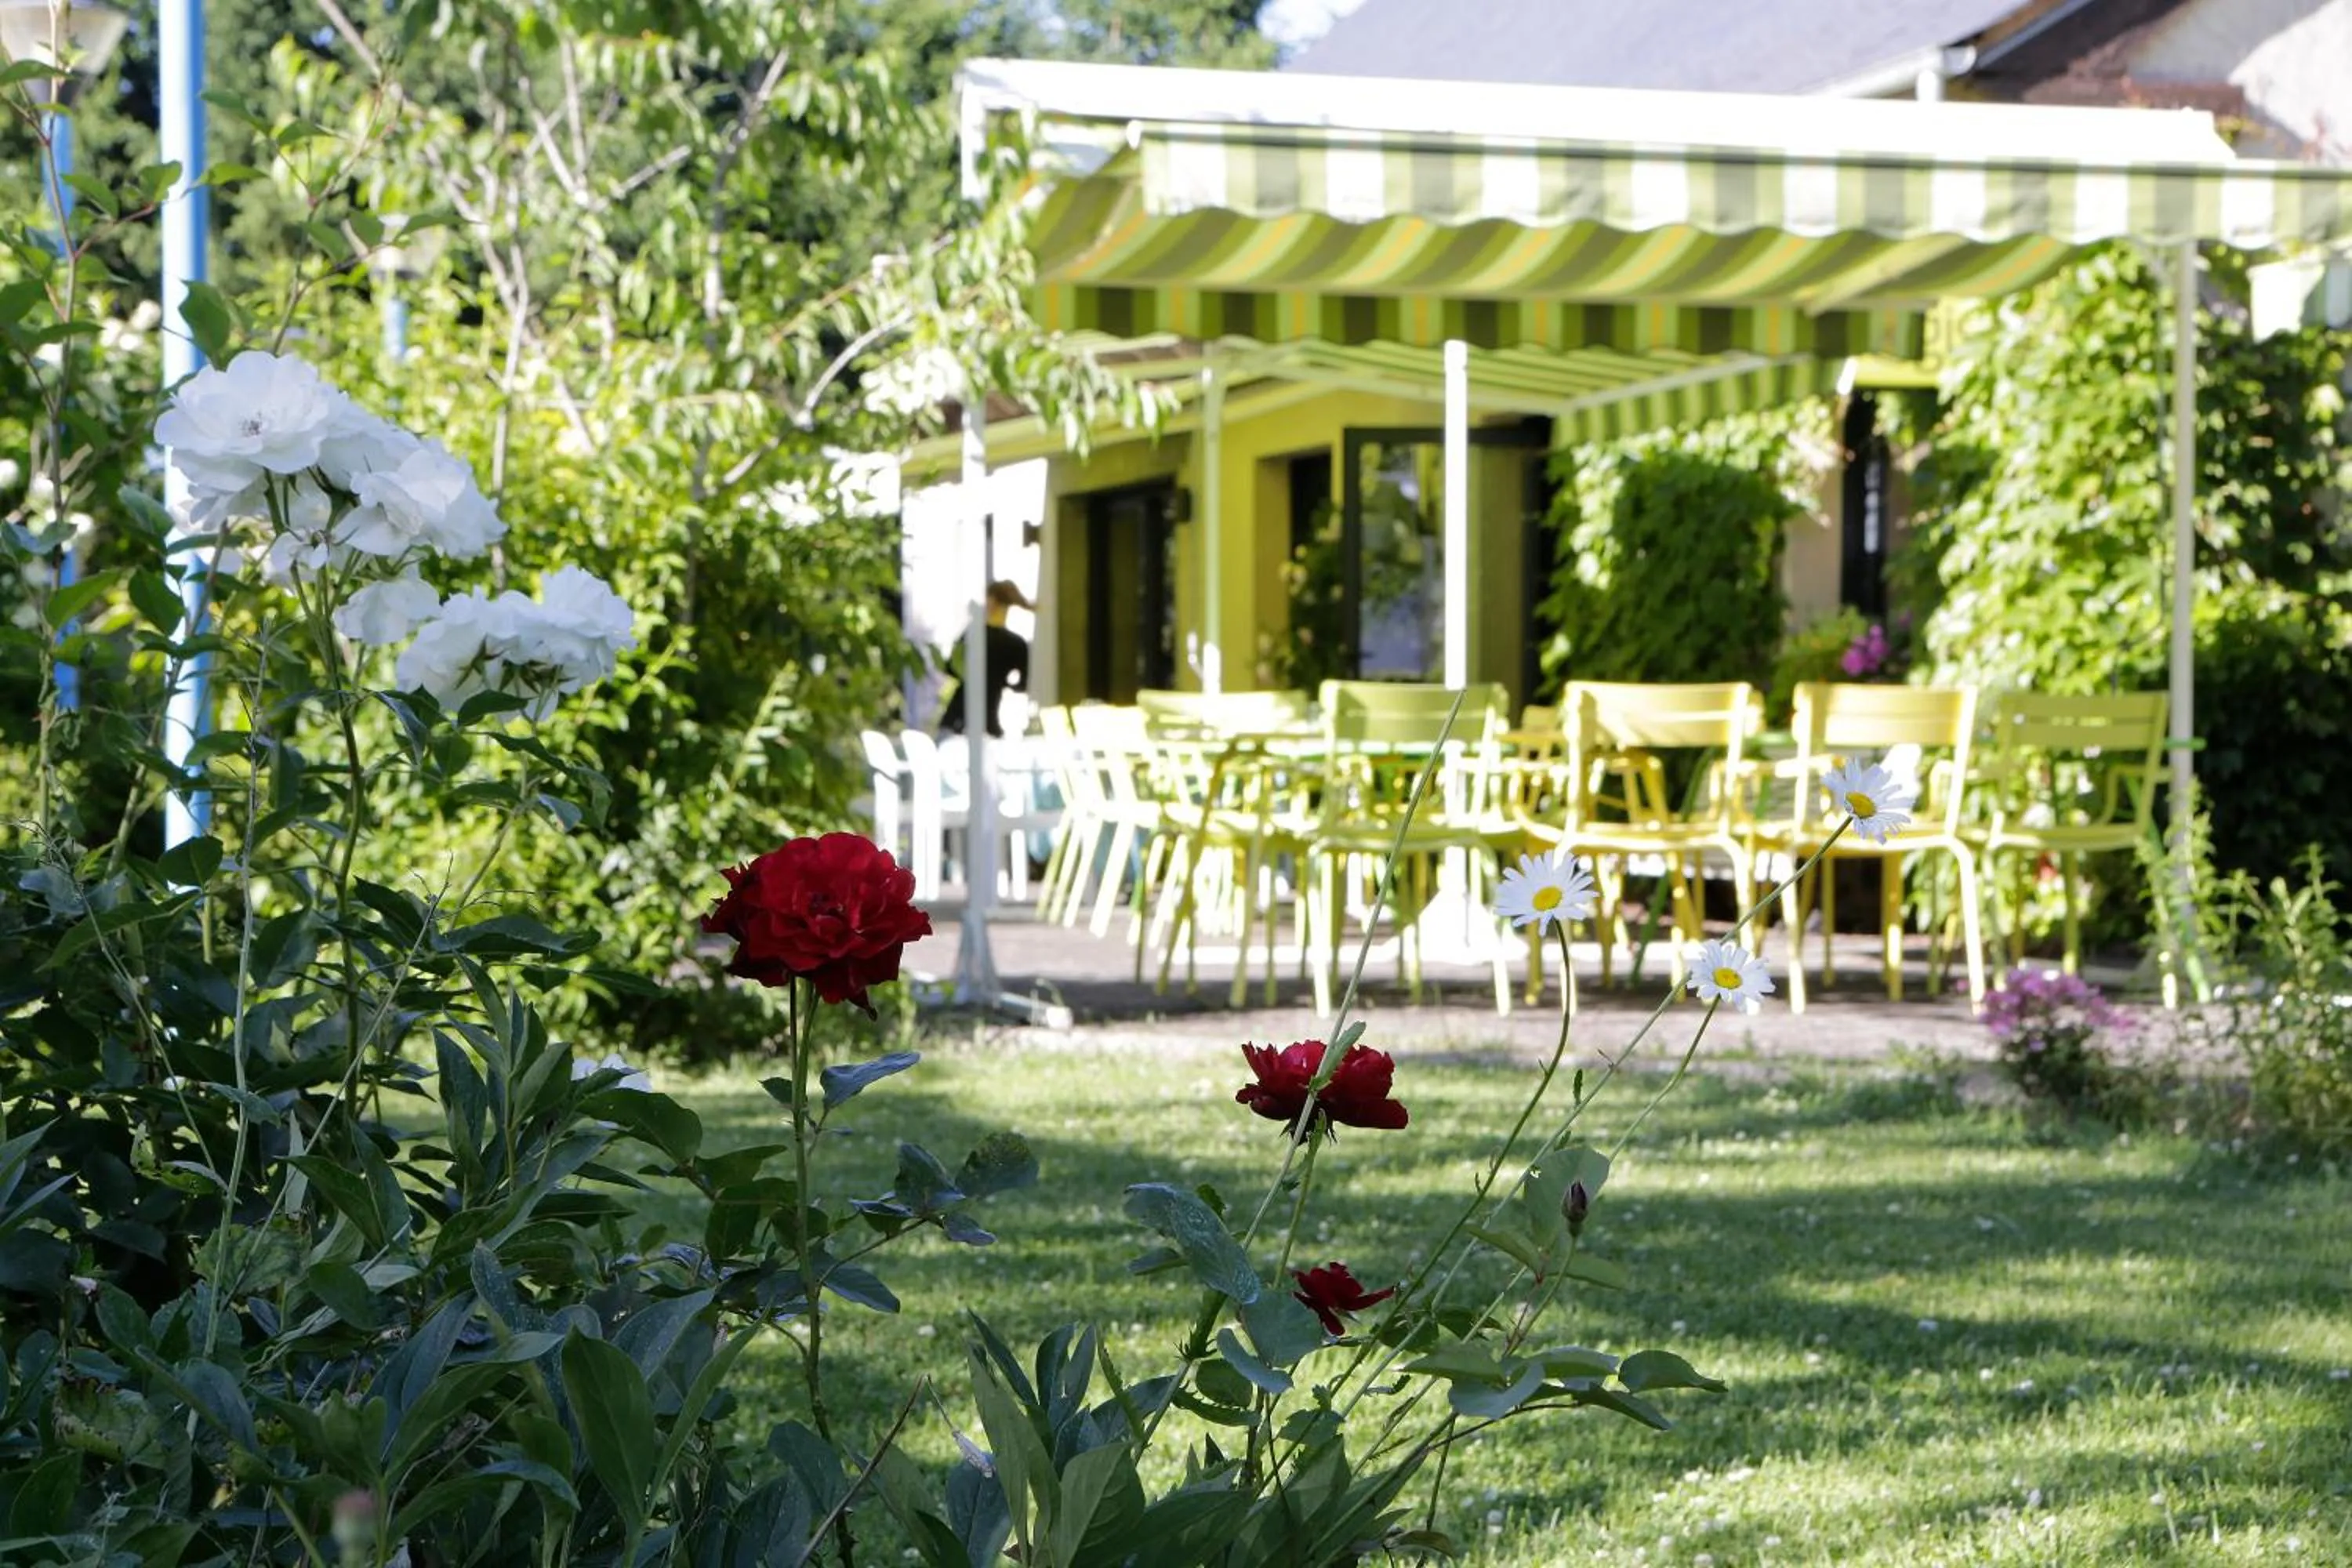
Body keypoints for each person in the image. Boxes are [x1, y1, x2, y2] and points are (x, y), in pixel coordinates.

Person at [936, 580, 1031, 739]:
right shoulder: (1016, 644)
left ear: (991, 600)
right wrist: (1003, 682)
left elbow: (950, 668)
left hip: (957, 717)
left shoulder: (972, 634)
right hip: (989, 720)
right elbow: (1023, 684)